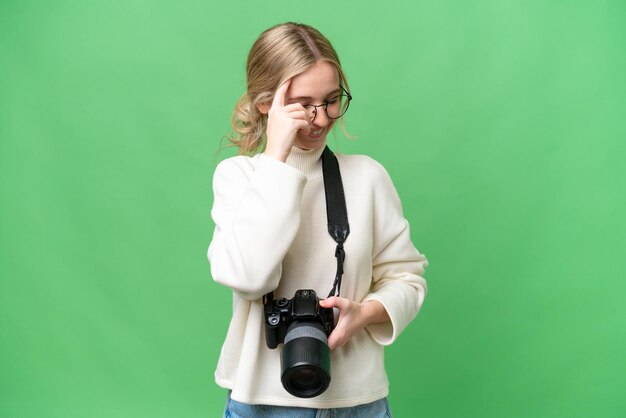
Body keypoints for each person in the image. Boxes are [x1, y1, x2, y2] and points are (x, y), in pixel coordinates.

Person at [208, 22, 428, 417]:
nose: (321, 118)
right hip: (263, 402)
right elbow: (250, 277)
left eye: (331, 100)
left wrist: (367, 313)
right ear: (266, 103)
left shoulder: (367, 176)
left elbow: (407, 280)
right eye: (303, 103)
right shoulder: (237, 177)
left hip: (358, 402)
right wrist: (276, 158)